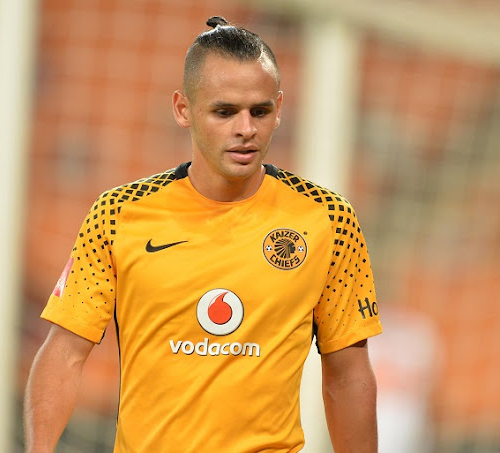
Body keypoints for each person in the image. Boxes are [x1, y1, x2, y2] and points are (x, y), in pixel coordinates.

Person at [24, 16, 382, 453]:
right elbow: (64, 353)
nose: (245, 128)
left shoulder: (328, 219)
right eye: (224, 111)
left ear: (280, 109)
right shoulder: (119, 214)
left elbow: (348, 374)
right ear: (183, 109)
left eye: (260, 111)